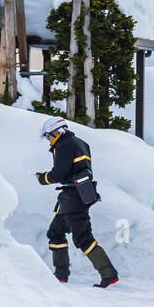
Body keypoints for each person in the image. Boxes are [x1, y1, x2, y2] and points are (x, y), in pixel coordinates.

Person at [36, 116, 120, 288]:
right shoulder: (79, 143)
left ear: (57, 132)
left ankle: (109, 275)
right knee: (56, 232)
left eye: (48, 136)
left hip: (73, 198)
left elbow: (58, 174)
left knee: (83, 238)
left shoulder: (65, 146)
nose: (48, 140)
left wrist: (42, 178)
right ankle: (60, 275)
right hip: (75, 196)